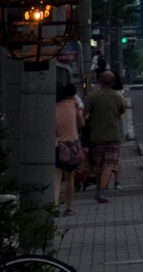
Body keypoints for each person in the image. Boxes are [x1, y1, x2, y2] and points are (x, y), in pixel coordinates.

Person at [85, 71, 127, 203]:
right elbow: (121, 112)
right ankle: (101, 191)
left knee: (99, 166)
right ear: (113, 83)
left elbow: (84, 114)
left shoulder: (92, 96)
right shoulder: (118, 97)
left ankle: (99, 189)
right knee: (109, 164)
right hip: (113, 135)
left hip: (96, 136)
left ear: (100, 81)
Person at [54, 83, 85, 213]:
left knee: (56, 177)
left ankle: (54, 205)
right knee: (69, 177)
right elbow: (82, 123)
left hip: (56, 144)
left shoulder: (53, 107)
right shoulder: (73, 105)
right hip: (71, 144)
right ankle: (68, 207)